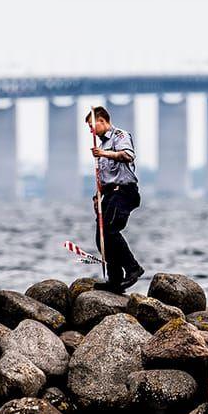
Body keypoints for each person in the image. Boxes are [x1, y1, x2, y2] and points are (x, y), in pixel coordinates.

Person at [89, 105, 145, 293]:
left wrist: (103, 154)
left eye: (92, 126)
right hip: (110, 193)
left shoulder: (120, 136)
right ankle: (115, 280)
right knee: (101, 237)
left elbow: (127, 156)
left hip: (124, 192)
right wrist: (97, 195)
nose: (91, 131)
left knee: (111, 231)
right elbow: (106, 177)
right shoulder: (102, 144)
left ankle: (133, 268)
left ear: (102, 121)